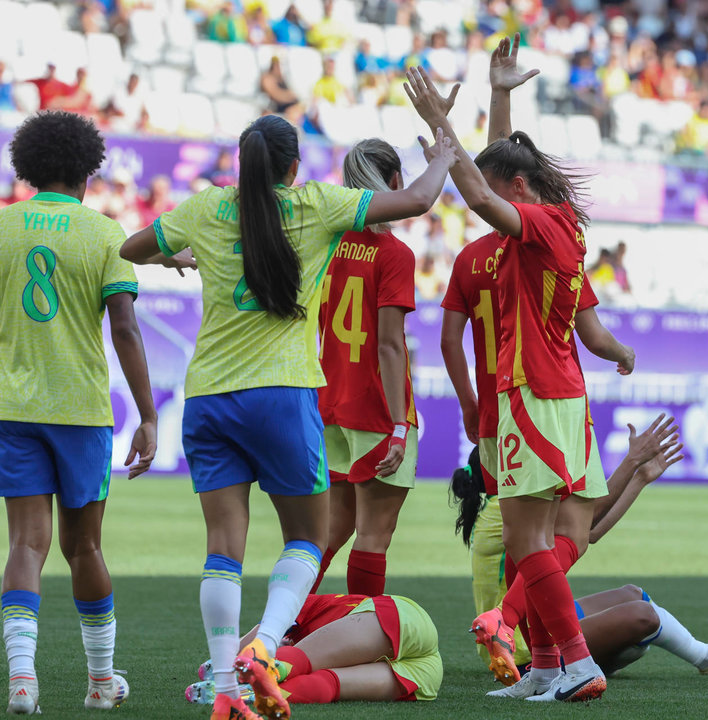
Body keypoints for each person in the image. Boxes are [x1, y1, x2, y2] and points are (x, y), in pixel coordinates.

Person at [119, 114, 457, 720]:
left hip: (209, 397)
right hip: (282, 393)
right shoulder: (317, 206)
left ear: (243, 166)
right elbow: (420, 197)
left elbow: (131, 247)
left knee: (222, 547)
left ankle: (226, 684)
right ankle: (268, 649)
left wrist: (179, 257)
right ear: (294, 167)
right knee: (306, 538)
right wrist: (445, 151)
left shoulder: (206, 207)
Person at [405, 53, 609, 701]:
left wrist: (442, 128)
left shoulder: (542, 226)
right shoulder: (554, 224)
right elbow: (498, 173)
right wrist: (497, 100)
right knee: (535, 539)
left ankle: (577, 662)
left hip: (533, 394)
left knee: (527, 537)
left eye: (501, 193)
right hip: (552, 394)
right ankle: (547, 664)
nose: (485, 210)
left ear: (520, 189)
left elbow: (481, 188)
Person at [0, 111, 163, 714]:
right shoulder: (105, 234)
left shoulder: (3, 227)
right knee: (84, 548)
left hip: (12, 408)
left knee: (25, 545)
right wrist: (147, 415)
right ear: (88, 172)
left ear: (27, 168)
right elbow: (125, 328)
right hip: (80, 409)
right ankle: (99, 684)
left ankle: (22, 682)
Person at [451, 449, 708, 680]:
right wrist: (631, 461)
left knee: (632, 594)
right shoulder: (508, 512)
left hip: (532, 620)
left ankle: (615, 652)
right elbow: (589, 519)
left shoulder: (500, 508)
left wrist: (640, 478)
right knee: (643, 616)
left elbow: (587, 533)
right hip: (522, 651)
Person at [312, 138, 423, 598]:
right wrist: (399, 424)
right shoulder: (395, 254)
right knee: (373, 538)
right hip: (376, 409)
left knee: (327, 536)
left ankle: (280, 632)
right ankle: (358, 637)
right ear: (395, 183)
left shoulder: (324, 246)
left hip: (329, 402)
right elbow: (390, 345)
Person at [186, 591, 442, 705]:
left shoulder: (302, 604)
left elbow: (259, 637)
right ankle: (249, 694)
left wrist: (220, 665)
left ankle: (239, 684)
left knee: (296, 661)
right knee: (325, 686)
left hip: (404, 616)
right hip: (426, 676)